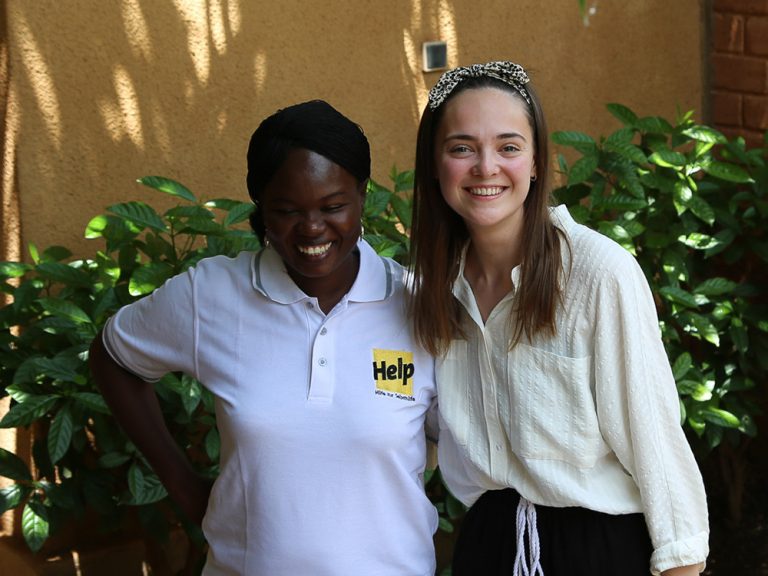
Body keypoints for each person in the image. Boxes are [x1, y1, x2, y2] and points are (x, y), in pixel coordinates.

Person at [89, 99, 438, 576]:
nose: (313, 228)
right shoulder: (211, 295)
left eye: (333, 206)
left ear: (362, 195)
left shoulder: (420, 306)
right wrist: (184, 485)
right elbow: (114, 356)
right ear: (261, 207)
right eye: (288, 210)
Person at [407, 61, 709, 576]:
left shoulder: (599, 275)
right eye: (461, 147)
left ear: (538, 162)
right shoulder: (431, 285)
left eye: (508, 146)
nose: (485, 167)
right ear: (435, 165)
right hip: (487, 547)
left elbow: (656, 447)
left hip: (598, 550)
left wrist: (682, 565)